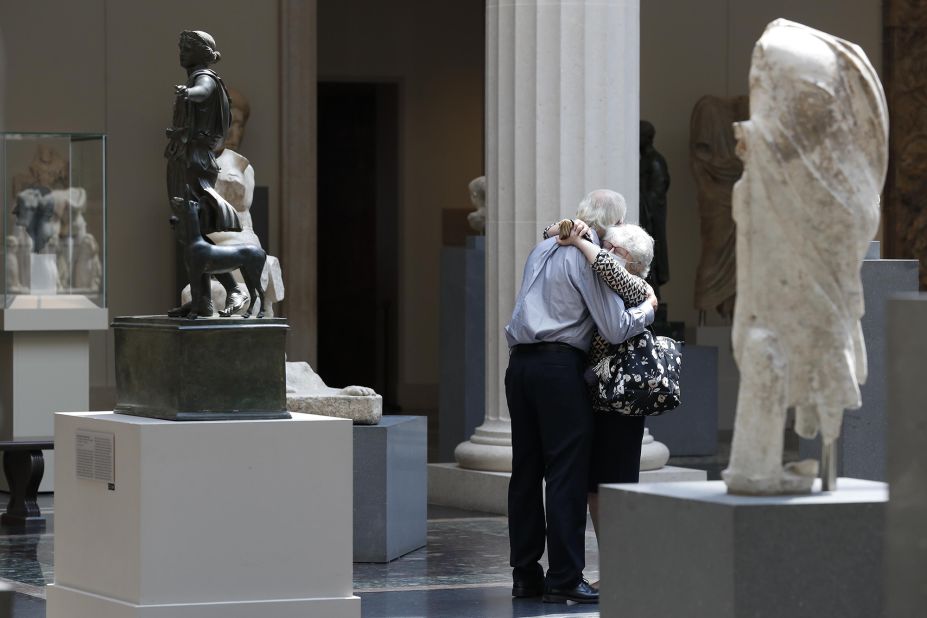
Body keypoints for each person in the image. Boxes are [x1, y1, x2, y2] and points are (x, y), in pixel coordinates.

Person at [505, 189, 656, 605]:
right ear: (609, 226)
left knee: (525, 472)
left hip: (519, 365)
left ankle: (524, 575)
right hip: (558, 368)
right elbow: (613, 327)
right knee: (566, 473)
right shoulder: (590, 260)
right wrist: (647, 309)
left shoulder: (542, 248)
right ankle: (565, 577)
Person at [558, 224, 655, 563]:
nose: (605, 250)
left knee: (610, 489)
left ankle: (622, 567)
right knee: (599, 489)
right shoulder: (619, 289)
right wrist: (563, 230)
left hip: (618, 405)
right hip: (604, 402)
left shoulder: (637, 286)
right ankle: (619, 566)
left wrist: (583, 243)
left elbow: (605, 266)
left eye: (612, 246)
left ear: (628, 258)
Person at [165, 30, 245, 317]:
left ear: (201, 53)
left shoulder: (205, 78)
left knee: (191, 229)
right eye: (181, 46)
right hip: (187, 155)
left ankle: (232, 289)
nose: (182, 52)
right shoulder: (197, 76)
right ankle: (202, 300)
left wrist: (189, 93)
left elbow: (204, 91)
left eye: (187, 47)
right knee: (189, 232)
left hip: (195, 158)